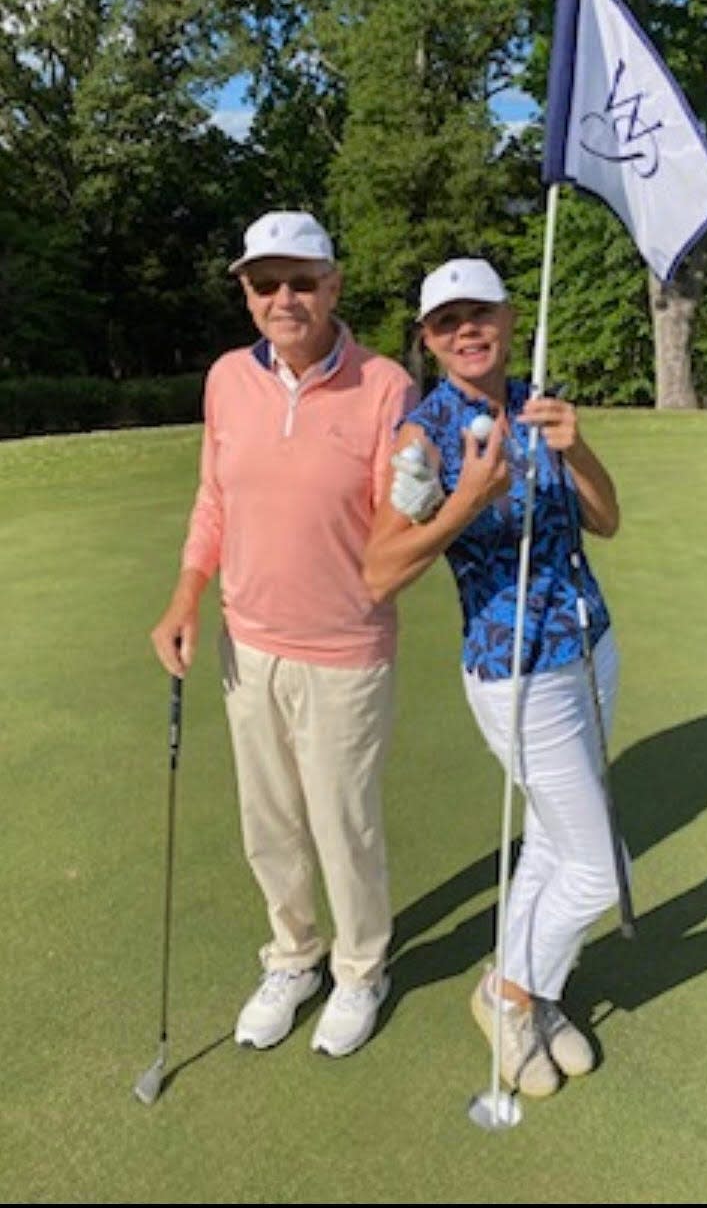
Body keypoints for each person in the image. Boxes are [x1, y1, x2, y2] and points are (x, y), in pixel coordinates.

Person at [151, 210, 418, 1058]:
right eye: (264, 283)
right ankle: (293, 956)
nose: (283, 297)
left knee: (343, 823)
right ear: (246, 294)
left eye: (301, 280)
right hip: (247, 643)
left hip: (345, 648)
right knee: (268, 821)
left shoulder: (383, 386)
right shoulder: (228, 379)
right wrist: (186, 593)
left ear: (334, 286)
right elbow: (214, 500)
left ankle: (360, 968)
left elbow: (397, 522)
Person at [363, 257, 623, 1099]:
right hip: (516, 672)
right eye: (446, 322)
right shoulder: (424, 435)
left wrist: (573, 444)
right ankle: (506, 993)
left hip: (589, 647)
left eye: (481, 313)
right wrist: (467, 498)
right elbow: (378, 570)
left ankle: (532, 995)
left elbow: (607, 518)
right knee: (597, 869)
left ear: (510, 319)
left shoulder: (542, 400)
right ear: (428, 341)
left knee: (554, 841)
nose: (466, 330)